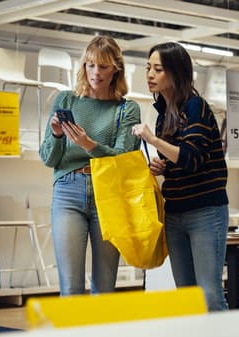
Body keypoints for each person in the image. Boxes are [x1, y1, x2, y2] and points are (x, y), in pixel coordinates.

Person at [39, 36, 141, 296]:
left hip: (109, 195)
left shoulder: (126, 109)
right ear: (83, 66)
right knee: (70, 286)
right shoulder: (66, 100)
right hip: (67, 192)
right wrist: (58, 135)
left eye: (104, 66)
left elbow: (123, 157)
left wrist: (88, 144)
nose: (96, 72)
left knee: (104, 288)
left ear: (116, 69)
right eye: (91, 65)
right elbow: (49, 159)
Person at [131, 42, 229, 311]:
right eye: (148, 67)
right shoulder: (164, 115)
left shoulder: (196, 107)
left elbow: (193, 157)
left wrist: (153, 140)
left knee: (209, 295)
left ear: (176, 72)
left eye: (158, 69)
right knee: (187, 297)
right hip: (174, 214)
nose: (150, 74)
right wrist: (163, 166)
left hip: (205, 212)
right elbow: (179, 162)